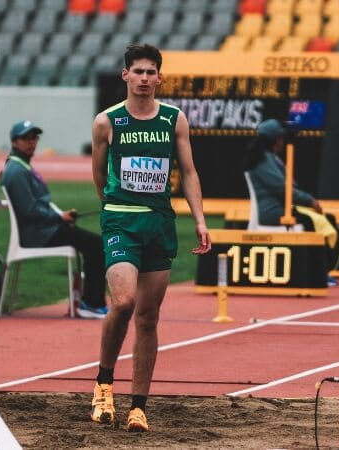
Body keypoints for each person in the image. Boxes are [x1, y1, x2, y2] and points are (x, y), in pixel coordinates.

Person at [90, 44, 211, 432]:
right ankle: (104, 383)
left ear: (160, 77)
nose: (144, 78)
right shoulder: (107, 122)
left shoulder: (174, 119)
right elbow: (97, 175)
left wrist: (200, 219)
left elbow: (189, 172)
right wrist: (112, 211)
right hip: (121, 222)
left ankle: (138, 406)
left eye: (151, 72)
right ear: (125, 75)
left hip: (159, 224)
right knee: (123, 302)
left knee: (148, 316)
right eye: (137, 71)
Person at [1, 120, 108, 319]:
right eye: (26, 138)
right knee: (96, 244)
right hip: (38, 234)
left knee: (93, 243)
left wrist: (61, 217)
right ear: (15, 142)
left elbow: (35, 207)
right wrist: (59, 217)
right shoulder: (16, 171)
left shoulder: (21, 166)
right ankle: (92, 304)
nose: (31, 142)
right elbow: (29, 210)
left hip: (43, 229)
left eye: (34, 138)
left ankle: (89, 301)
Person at [243, 118, 339, 285]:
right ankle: (317, 273)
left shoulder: (269, 158)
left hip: (283, 207)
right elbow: (282, 189)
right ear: (275, 140)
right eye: (281, 137)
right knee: (309, 222)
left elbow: (286, 189)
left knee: (328, 219)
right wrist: (310, 201)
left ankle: (323, 271)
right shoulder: (263, 161)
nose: (283, 141)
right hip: (273, 213)